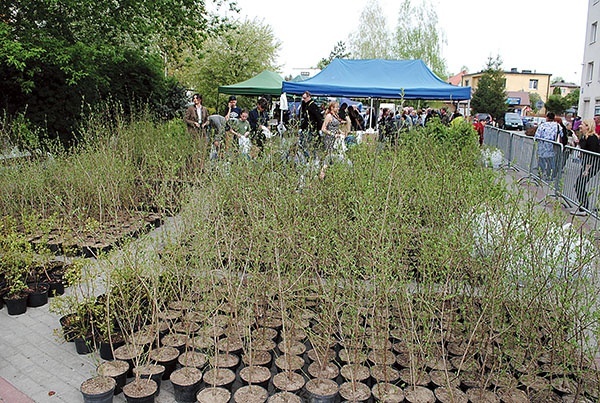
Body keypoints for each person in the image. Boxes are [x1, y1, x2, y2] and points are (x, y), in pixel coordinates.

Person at [572, 119, 600, 216]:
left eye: (582, 125)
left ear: (587, 126)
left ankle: (584, 208)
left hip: (592, 165)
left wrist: (587, 169)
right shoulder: (585, 137)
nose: (580, 126)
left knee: (580, 183)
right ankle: (583, 207)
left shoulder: (592, 138)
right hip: (587, 164)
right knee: (579, 184)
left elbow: (593, 154)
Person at [534, 112, 560, 181]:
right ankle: (550, 176)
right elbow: (561, 135)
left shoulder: (542, 125)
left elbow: (537, 136)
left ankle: (540, 175)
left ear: (547, 117)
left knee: (541, 162)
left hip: (542, 147)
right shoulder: (557, 126)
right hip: (552, 147)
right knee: (551, 162)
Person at [299, 91, 324, 157]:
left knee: (311, 145)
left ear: (309, 97)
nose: (303, 100)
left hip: (312, 129)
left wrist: (319, 129)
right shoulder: (305, 105)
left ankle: (312, 157)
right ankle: (306, 157)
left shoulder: (313, 106)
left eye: (305, 98)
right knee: (302, 144)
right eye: (303, 98)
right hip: (306, 128)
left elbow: (319, 118)